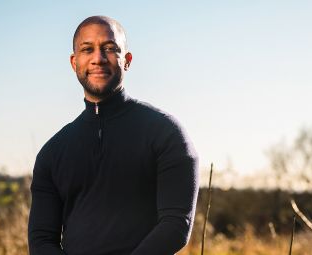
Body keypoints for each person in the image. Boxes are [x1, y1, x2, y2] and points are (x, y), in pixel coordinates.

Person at [28, 15, 199, 255]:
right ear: (74, 62)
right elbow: (41, 241)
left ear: (127, 60)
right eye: (87, 49)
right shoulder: (52, 152)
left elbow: (177, 224)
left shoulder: (166, 133)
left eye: (109, 48)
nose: (98, 58)